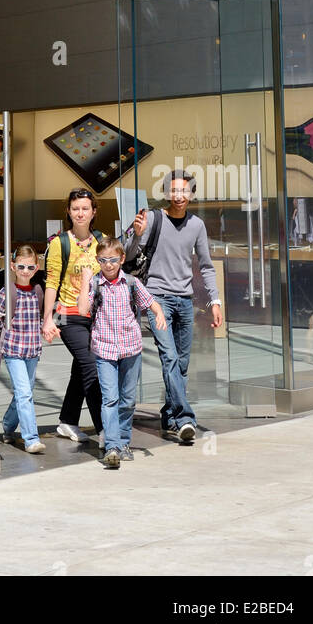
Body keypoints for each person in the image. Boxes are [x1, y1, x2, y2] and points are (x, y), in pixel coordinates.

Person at [124, 168, 223, 442]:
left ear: (191, 194)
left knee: (181, 364)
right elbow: (128, 256)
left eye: (184, 190)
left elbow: (206, 266)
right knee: (169, 357)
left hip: (185, 300)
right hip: (157, 299)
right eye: (174, 190)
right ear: (166, 193)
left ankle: (169, 416)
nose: (179, 195)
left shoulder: (197, 225)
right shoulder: (153, 219)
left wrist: (215, 300)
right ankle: (185, 419)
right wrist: (135, 234)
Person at [78, 236, 166, 469]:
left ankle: (124, 442)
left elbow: (150, 302)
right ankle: (112, 447)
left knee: (127, 400)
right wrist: (85, 280)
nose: (108, 264)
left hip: (130, 348)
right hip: (104, 349)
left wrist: (159, 313)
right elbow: (82, 309)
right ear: (97, 260)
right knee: (110, 399)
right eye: (103, 260)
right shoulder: (95, 283)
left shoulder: (131, 283)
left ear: (122, 259)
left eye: (113, 260)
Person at [42, 188, 104, 445]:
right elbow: (51, 283)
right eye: (75, 208)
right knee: (91, 367)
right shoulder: (59, 243)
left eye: (85, 208)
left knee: (81, 368)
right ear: (68, 211)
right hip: (67, 315)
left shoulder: (101, 240)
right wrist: (47, 319)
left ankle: (67, 421)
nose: (80, 213)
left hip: (95, 315)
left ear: (93, 212)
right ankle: (104, 430)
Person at [0, 243, 45, 454]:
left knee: (23, 393)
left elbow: (41, 319)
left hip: (32, 350)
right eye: (21, 267)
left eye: (30, 268)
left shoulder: (37, 291)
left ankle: (8, 426)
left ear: (36, 268)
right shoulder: (6, 293)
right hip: (13, 351)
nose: (25, 272)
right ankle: (31, 439)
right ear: (12, 267)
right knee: (25, 393)